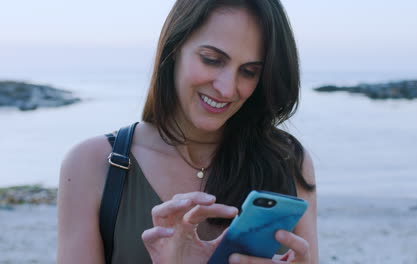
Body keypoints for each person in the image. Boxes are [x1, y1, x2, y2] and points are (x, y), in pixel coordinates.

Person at [57, 0, 318, 263]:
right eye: (212, 60)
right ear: (174, 49)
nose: (227, 89)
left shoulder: (289, 160)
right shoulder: (91, 163)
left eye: (249, 72)